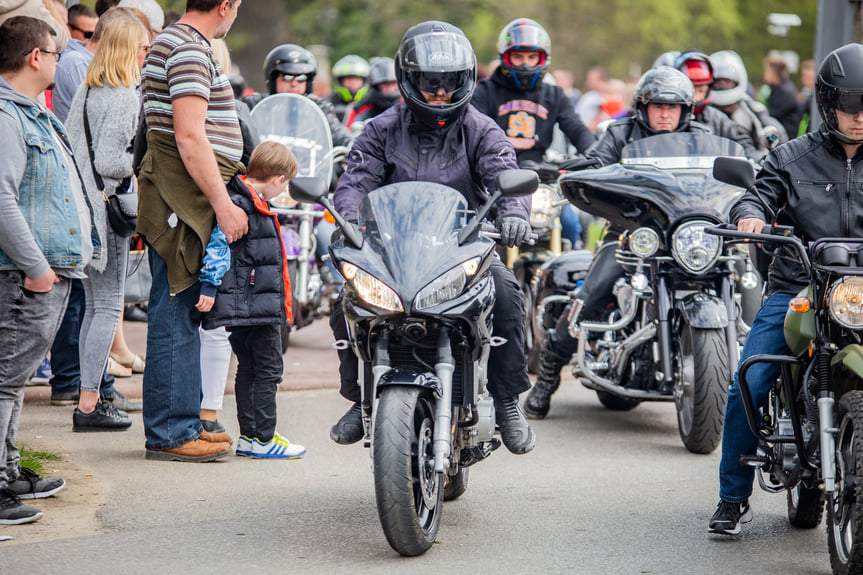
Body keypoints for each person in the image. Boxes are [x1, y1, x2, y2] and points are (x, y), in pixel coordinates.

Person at [329, 20, 536, 455]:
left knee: (506, 293)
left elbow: (503, 173)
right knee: (345, 301)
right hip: (394, 248)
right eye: (429, 83)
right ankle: (358, 397)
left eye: (449, 83)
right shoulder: (380, 129)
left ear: (464, 81)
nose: (440, 93)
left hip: (461, 246)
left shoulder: (480, 129)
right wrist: (347, 222)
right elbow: (355, 181)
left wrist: (515, 213)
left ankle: (506, 400)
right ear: (410, 80)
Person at [708, 42, 863, 535]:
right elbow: (755, 195)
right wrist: (751, 218)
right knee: (749, 382)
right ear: (828, 103)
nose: (861, 118)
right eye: (852, 107)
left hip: (859, 293)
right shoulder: (792, 157)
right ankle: (732, 498)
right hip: (800, 288)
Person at [525, 66, 711, 419]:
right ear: (643, 107)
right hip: (630, 234)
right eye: (658, 106)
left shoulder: (700, 137)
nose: (666, 113)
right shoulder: (621, 131)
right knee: (592, 292)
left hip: (684, 237)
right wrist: (581, 167)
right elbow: (597, 159)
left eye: (673, 107)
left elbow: (720, 174)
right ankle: (547, 378)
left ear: (686, 110)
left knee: (741, 276)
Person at [137, 0, 244, 462]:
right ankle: (172, 432)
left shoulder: (178, 42)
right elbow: (189, 135)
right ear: (224, 5)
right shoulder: (188, 48)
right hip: (184, 191)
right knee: (177, 304)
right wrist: (222, 204)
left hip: (184, 187)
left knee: (179, 306)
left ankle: (180, 422)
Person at [0, 15, 86, 524]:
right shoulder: (8, 116)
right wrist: (36, 267)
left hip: (40, 270)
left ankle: (9, 470)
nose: (59, 61)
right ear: (36, 56)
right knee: (4, 380)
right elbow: (2, 198)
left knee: (11, 380)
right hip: (23, 273)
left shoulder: (28, 112)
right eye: (54, 53)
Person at [64, 19, 151, 432]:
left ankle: (87, 396)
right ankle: (89, 404)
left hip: (81, 211)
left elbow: (72, 145)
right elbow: (111, 162)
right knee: (108, 308)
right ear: (129, 49)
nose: (146, 55)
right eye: (143, 48)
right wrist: (139, 163)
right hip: (109, 211)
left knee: (93, 309)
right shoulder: (124, 97)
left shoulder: (86, 91)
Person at [197, 141, 305, 459]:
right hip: (256, 306)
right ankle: (263, 438)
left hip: (247, 304)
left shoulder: (240, 197)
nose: (283, 190)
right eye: (285, 183)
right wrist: (209, 284)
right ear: (276, 178)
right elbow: (219, 245)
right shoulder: (245, 204)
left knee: (248, 368)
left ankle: (251, 437)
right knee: (268, 370)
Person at [472, 18, 596, 164]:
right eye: (518, 57)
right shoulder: (485, 91)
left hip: (541, 177)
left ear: (542, 59)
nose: (525, 64)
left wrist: (594, 153)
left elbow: (577, 129)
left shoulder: (554, 95)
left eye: (532, 57)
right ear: (505, 56)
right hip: (493, 172)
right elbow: (473, 134)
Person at [253, 43, 353, 148]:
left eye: (301, 78)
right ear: (272, 79)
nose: (294, 83)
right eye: (287, 77)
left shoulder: (319, 109)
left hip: (309, 164)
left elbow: (340, 135)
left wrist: (355, 145)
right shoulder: (256, 105)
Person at [674, 50, 760, 158]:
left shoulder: (718, 119)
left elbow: (744, 147)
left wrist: (758, 158)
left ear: (709, 88)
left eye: (701, 90)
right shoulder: (668, 116)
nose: (696, 97)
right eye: (692, 90)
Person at [709, 50, 788, 151]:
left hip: (746, 161)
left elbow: (775, 132)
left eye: (727, 82)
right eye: (719, 82)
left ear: (738, 80)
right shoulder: (705, 111)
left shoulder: (752, 110)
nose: (723, 86)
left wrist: (772, 136)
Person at [344, 55, 401, 127]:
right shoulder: (363, 106)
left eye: (393, 83)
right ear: (375, 86)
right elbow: (349, 130)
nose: (390, 88)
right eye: (385, 84)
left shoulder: (406, 103)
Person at [762, 54, 801, 142]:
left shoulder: (784, 92)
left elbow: (771, 117)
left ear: (773, 73)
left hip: (784, 143)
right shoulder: (779, 88)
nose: (764, 74)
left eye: (766, 71)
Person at [324, 54, 369, 122]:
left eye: (356, 79)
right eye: (349, 78)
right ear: (340, 81)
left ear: (364, 81)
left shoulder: (371, 102)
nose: (352, 82)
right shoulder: (327, 102)